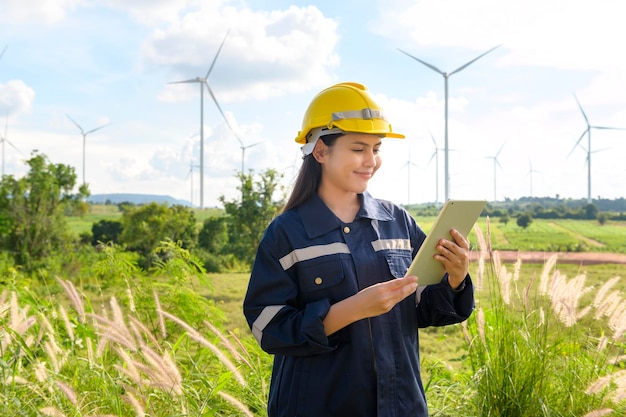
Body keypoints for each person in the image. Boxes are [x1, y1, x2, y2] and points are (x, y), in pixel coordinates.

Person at [243, 82, 474, 417]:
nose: (372, 161)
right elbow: (267, 326)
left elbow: (425, 309)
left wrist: (455, 278)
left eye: (376, 148)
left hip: (400, 405)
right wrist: (348, 311)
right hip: (319, 406)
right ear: (320, 151)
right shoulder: (287, 233)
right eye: (358, 149)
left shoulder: (397, 222)